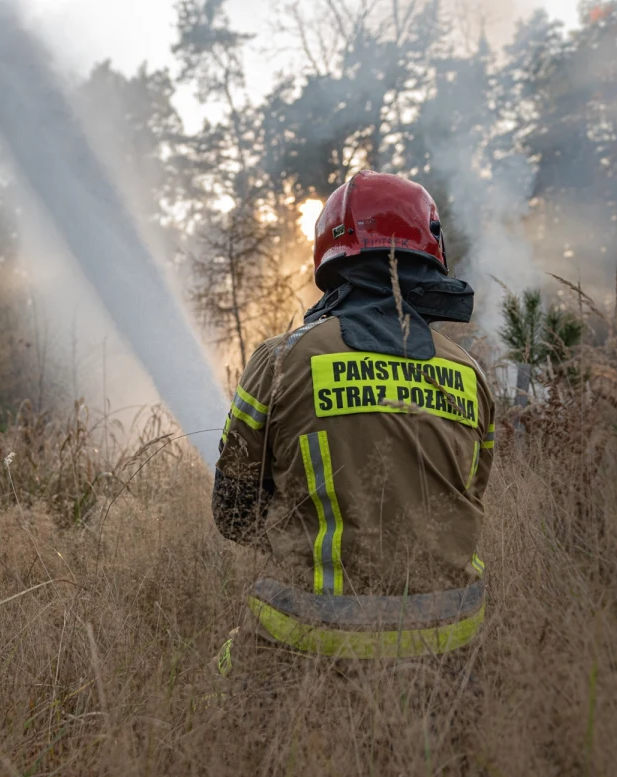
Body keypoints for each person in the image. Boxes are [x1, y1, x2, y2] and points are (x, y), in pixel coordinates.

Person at [211, 171, 494, 677]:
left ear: (331, 259)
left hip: (311, 638)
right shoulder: (469, 374)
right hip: (453, 639)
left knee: (214, 688)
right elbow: (466, 496)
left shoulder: (282, 359)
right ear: (431, 254)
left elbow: (232, 511)